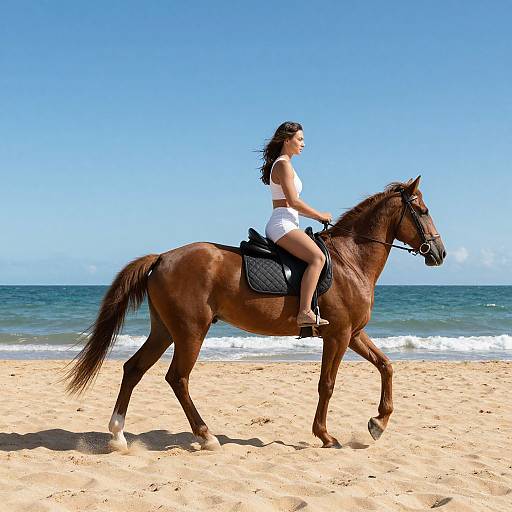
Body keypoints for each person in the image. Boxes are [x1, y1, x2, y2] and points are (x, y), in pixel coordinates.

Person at [260, 121, 332, 327]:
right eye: (299, 139)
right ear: (287, 140)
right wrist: (320, 216)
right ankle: (305, 312)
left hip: (288, 222)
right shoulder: (283, 164)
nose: (303, 143)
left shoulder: (286, 164)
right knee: (317, 258)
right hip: (282, 223)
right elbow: (293, 202)